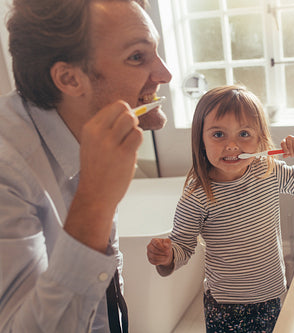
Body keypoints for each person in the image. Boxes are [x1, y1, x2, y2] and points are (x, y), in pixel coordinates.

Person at [0, 0, 171, 332]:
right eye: (137, 57)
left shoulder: (88, 131)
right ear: (69, 79)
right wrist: (95, 200)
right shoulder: (7, 171)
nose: (165, 74)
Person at [146, 85, 294, 332]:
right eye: (218, 135)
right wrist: (167, 257)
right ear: (201, 140)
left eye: (244, 134)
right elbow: (183, 247)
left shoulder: (268, 171)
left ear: (261, 139)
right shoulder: (197, 196)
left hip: (271, 293)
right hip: (224, 303)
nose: (232, 145)